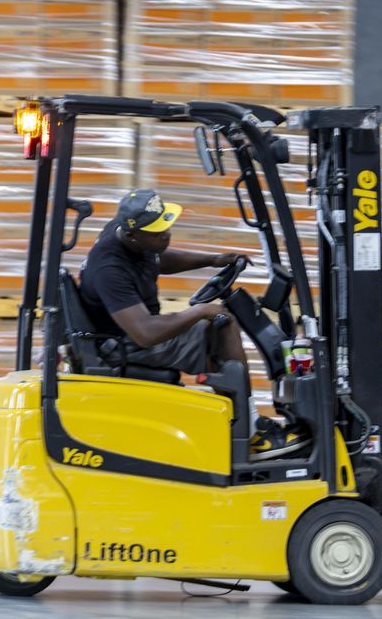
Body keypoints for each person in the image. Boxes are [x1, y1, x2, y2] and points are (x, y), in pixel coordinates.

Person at [80, 189, 308, 460]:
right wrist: (200, 311)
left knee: (215, 334)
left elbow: (157, 257)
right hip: (124, 345)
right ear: (131, 235)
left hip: (131, 334)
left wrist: (212, 260)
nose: (165, 235)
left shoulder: (133, 236)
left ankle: (236, 422)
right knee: (222, 324)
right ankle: (249, 432)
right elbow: (145, 334)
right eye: (157, 233)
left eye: (165, 227)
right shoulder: (109, 269)